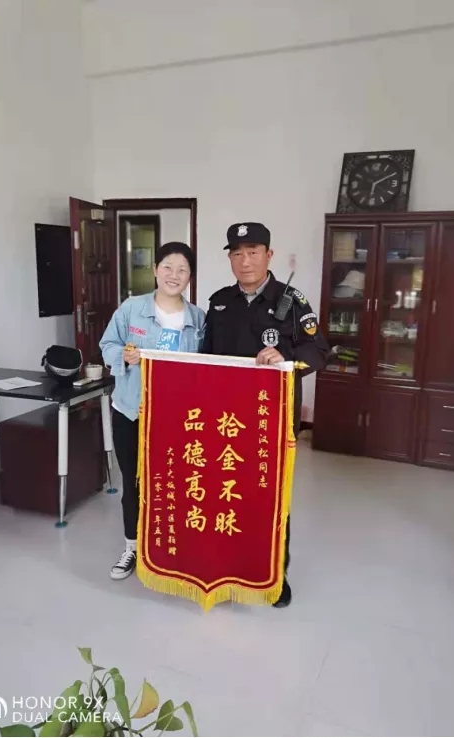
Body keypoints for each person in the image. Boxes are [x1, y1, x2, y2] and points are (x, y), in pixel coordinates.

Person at [201, 222, 329, 608]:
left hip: (271, 419)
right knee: (225, 492)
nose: (245, 261)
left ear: (269, 255)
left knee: (270, 497)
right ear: (230, 259)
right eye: (237, 253)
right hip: (225, 419)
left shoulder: (292, 302)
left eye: (253, 252)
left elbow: (318, 351)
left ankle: (275, 574)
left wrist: (286, 357)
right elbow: (203, 358)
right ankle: (225, 564)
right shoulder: (220, 302)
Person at [100, 242, 205, 580]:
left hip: (175, 417)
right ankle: (132, 547)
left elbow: (206, 369)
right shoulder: (132, 308)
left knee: (173, 482)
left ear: (190, 276)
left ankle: (170, 548)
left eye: (183, 269)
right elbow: (107, 344)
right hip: (130, 412)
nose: (174, 275)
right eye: (168, 267)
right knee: (133, 482)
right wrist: (123, 355)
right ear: (156, 269)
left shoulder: (198, 319)